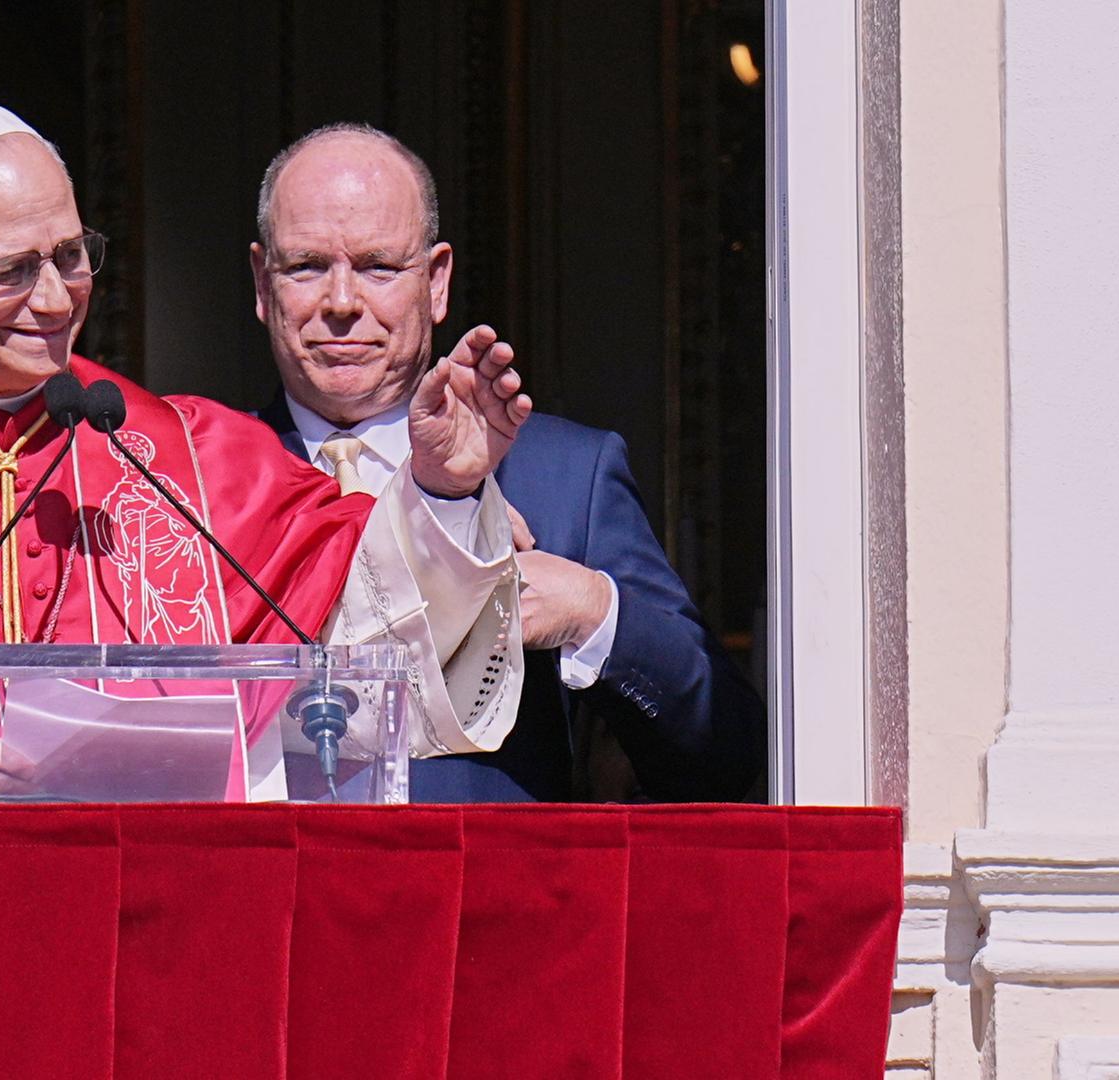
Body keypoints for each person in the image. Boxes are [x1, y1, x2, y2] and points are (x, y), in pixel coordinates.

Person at [0, 101, 534, 801]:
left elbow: (366, 637)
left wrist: (445, 493)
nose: (53, 299)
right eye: (10, 269)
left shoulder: (189, 456)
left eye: (71, 257)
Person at [251, 123, 765, 802]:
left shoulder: (562, 477)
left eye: (379, 266)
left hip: (489, 902)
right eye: (307, 266)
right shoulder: (195, 478)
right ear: (262, 283)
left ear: (436, 283)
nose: (342, 303)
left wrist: (594, 613)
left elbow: (722, 753)